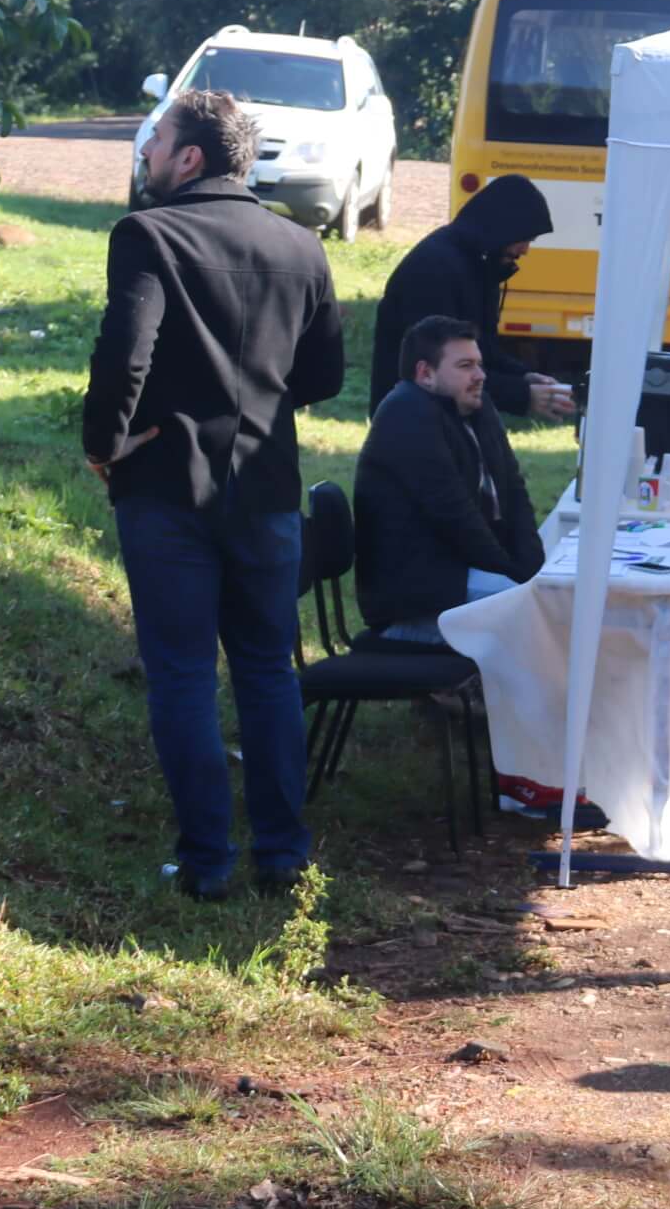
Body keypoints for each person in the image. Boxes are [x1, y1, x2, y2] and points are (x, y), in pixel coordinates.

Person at [85, 89, 346, 901]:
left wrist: (104, 443)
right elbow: (326, 375)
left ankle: (206, 861)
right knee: (269, 669)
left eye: (157, 139)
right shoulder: (302, 248)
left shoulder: (147, 234)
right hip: (267, 486)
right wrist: (257, 396)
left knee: (185, 675)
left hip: (166, 485)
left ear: (190, 157)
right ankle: (283, 853)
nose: (148, 152)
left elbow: (125, 352)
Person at [355, 315, 544, 645]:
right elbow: (455, 516)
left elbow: (514, 491)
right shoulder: (406, 414)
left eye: (480, 365)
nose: (480, 376)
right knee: (537, 616)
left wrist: (533, 569)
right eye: (465, 365)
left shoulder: (475, 408)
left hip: (459, 578)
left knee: (547, 600)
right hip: (419, 600)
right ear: (425, 373)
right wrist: (516, 577)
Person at [368, 173, 572, 424]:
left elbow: (483, 351)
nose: (525, 250)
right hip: (412, 420)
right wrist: (520, 395)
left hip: (449, 420)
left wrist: (526, 377)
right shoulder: (434, 268)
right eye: (524, 239)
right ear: (503, 227)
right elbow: (445, 367)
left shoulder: (481, 266)